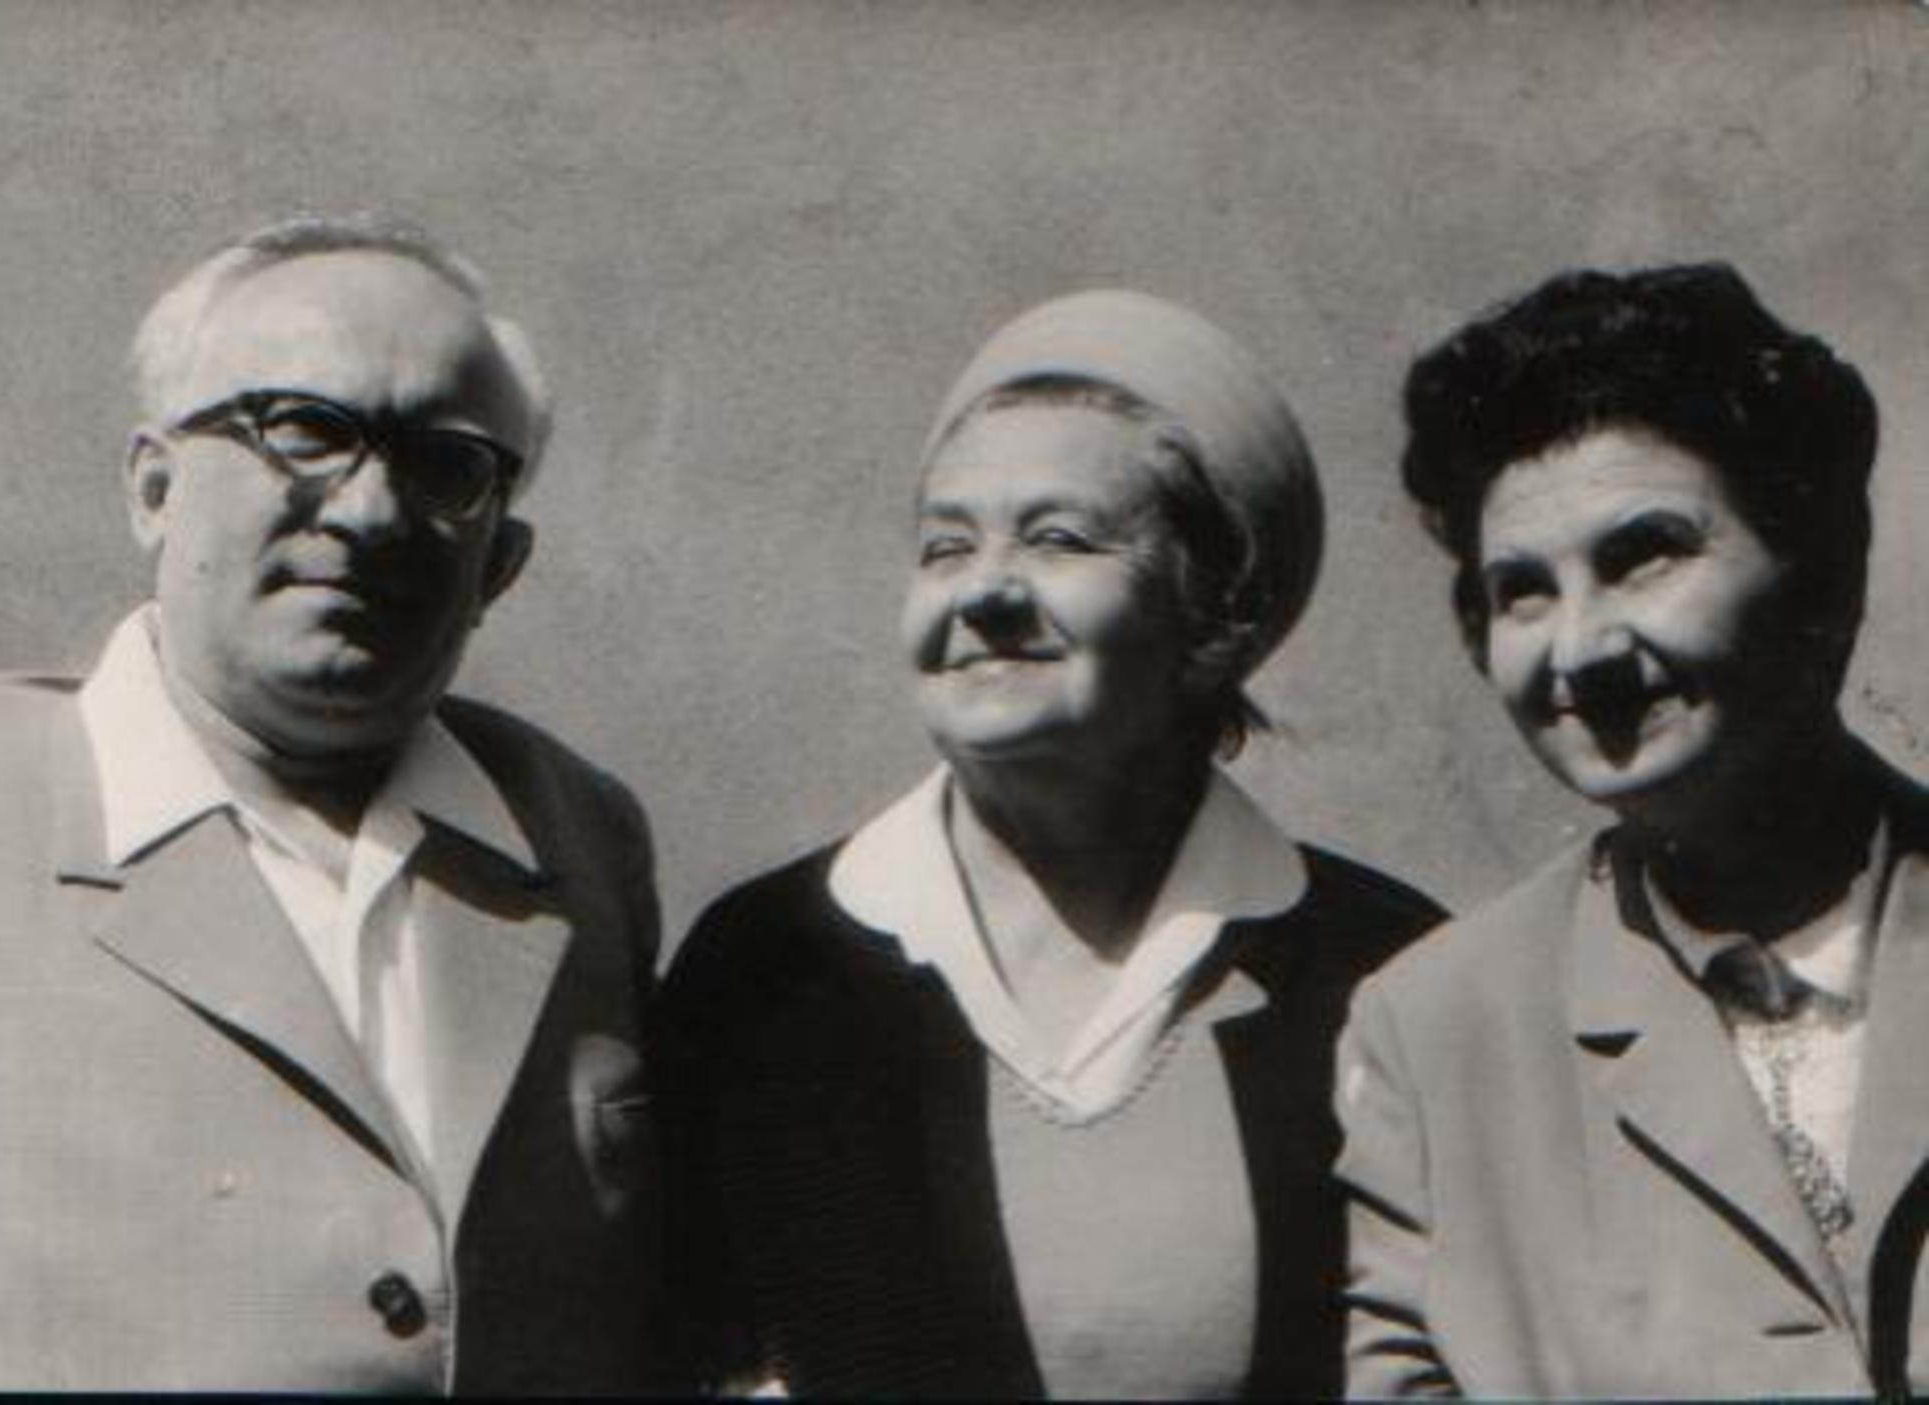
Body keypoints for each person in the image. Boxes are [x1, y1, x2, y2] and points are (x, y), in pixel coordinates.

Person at [661, 289, 1444, 1398]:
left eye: (1057, 538)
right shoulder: (761, 968)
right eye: (944, 547)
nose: (984, 590)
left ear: (1217, 617)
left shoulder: (1384, 974)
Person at [0, 217, 664, 1392]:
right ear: (154, 487)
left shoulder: (570, 833)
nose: (370, 511)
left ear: (499, 562)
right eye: (305, 429)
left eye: (444, 463)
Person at [1335, 262, 1926, 1399]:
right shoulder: (1433, 1034)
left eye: (1643, 552)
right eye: (1521, 589)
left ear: (1820, 571)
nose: (1583, 650)